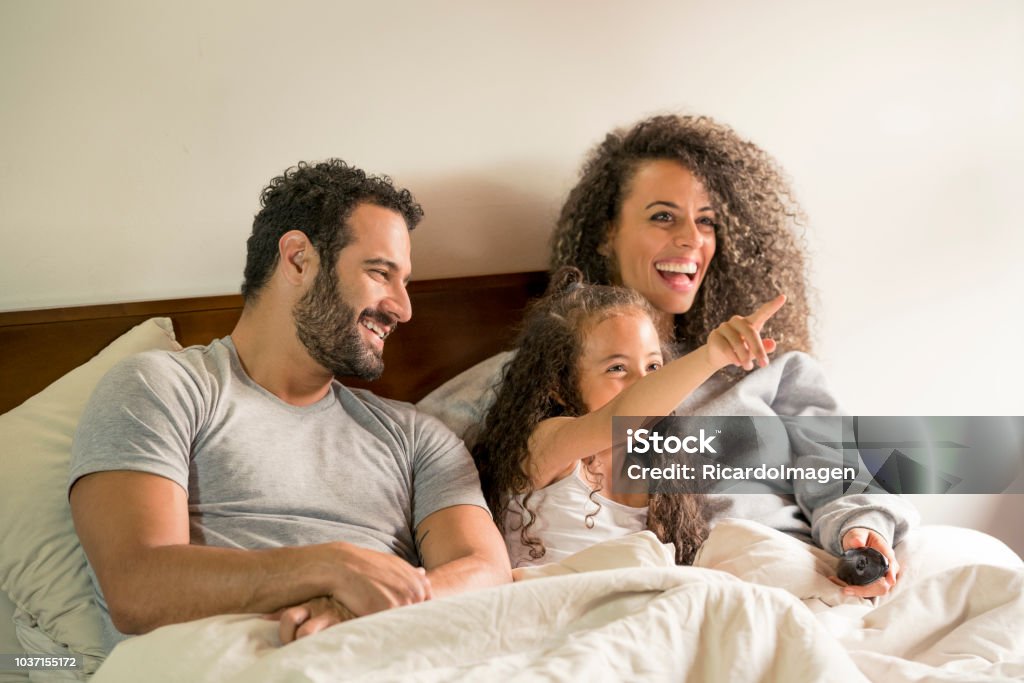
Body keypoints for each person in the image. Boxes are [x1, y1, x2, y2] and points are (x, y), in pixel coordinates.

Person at [418, 115, 917, 598]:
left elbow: (843, 473)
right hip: (694, 592)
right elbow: (410, 458)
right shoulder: (517, 384)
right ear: (605, 234)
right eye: (663, 216)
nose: (692, 239)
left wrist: (861, 529)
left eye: (707, 222)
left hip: (815, 573)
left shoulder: (777, 372)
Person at [68, 159, 511, 652]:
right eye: (381, 273)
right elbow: (137, 587)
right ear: (298, 259)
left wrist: (354, 612)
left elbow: (488, 570)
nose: (404, 308)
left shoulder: (415, 435)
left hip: (391, 652)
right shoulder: (163, 388)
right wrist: (332, 567)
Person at [473, 267, 784, 568]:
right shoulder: (546, 443)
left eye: (653, 368)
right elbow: (622, 416)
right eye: (617, 368)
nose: (644, 383)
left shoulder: (657, 465)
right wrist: (713, 356)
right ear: (558, 385)